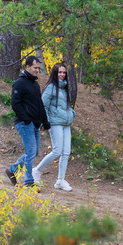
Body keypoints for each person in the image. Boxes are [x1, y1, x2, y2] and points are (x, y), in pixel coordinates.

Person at [5, 56, 50, 187]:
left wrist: (45, 122)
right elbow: (15, 103)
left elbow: (40, 104)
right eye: (35, 68)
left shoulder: (35, 84)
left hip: (35, 123)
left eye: (38, 68)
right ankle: (29, 181)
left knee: (34, 152)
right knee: (31, 152)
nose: (37, 70)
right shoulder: (19, 83)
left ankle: (12, 170)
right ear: (27, 67)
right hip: (24, 123)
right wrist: (25, 119)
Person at [32, 62, 75, 191]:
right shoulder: (50, 87)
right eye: (59, 72)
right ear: (55, 74)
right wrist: (45, 122)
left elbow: (66, 106)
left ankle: (60, 181)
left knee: (66, 152)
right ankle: (37, 170)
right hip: (55, 123)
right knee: (57, 151)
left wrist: (72, 113)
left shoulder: (64, 88)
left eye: (64, 72)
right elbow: (43, 105)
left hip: (66, 124)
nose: (62, 75)